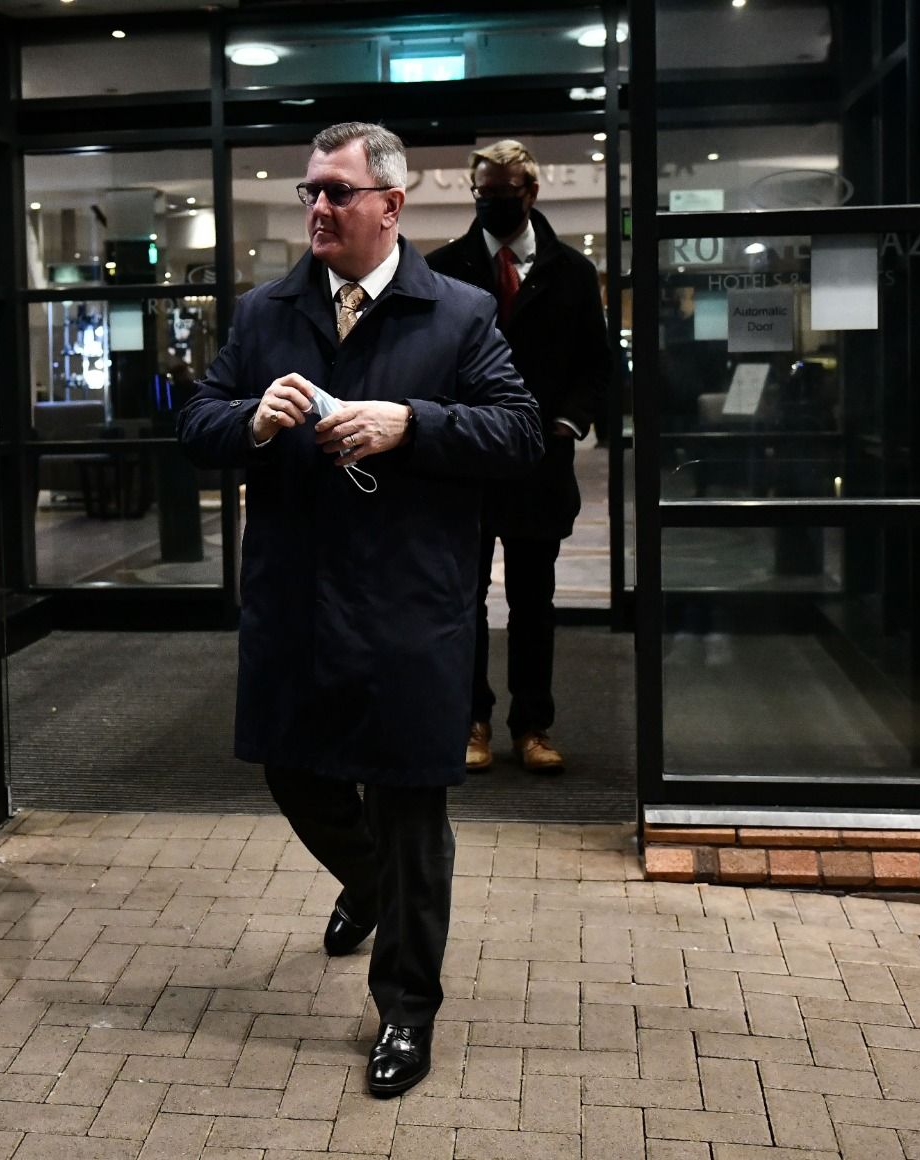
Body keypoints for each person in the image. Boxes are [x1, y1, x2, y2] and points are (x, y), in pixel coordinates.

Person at [177, 122, 541, 1097]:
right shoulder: (266, 313)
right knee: (292, 771)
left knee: (410, 808)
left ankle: (404, 1012)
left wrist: (411, 423)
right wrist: (249, 420)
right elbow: (196, 420)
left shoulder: (457, 315)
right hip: (296, 598)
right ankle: (369, 881)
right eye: (308, 192)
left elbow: (518, 433)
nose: (319, 209)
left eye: (338, 192)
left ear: (390, 205)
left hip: (407, 607)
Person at [426, 140, 611, 775]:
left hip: (540, 461)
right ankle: (468, 719)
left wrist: (567, 423)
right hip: (467, 461)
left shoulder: (572, 272)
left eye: (504, 192)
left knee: (535, 602)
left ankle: (533, 725)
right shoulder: (443, 269)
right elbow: (429, 364)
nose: (492, 202)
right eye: (483, 192)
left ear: (530, 193)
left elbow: (596, 365)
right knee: (462, 599)